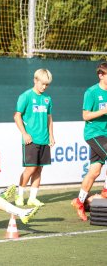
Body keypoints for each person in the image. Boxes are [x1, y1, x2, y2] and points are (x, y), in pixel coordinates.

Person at [14, 69, 55, 207]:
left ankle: (32, 198)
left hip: (44, 140)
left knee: (39, 169)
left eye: (47, 85)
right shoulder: (25, 96)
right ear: (35, 80)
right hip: (30, 140)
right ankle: (19, 195)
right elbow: (17, 116)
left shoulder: (47, 99)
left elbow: (49, 118)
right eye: (42, 83)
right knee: (30, 169)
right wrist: (24, 134)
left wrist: (51, 135)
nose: (44, 87)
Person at [71, 62, 107, 221]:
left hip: (105, 135)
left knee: (95, 171)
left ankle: (80, 201)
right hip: (94, 134)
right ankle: (105, 193)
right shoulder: (91, 92)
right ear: (101, 75)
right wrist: (104, 110)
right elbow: (85, 116)